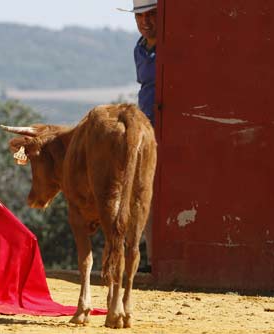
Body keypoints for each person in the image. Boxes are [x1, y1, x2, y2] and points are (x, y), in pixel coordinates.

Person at [118, 0, 157, 271]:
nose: (144, 22)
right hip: (144, 127)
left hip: (164, 128)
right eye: (139, 17)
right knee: (138, 191)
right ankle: (141, 251)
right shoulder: (139, 49)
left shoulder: (172, 45)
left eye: (151, 15)